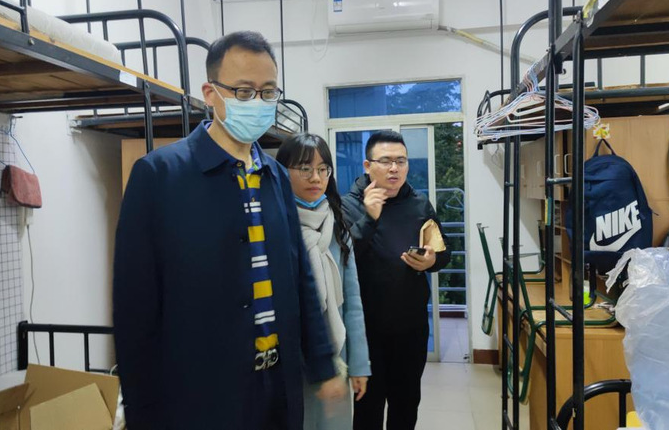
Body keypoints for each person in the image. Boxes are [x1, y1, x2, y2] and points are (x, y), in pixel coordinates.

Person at [113, 31, 343, 430]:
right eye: (243, 91)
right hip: (202, 395)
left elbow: (300, 278)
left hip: (277, 386)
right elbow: (135, 307)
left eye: (268, 92)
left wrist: (322, 362)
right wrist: (141, 410)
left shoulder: (275, 176)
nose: (258, 102)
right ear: (210, 94)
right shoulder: (159, 176)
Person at [341, 131, 451, 430]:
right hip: (367, 329)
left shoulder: (419, 204)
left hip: (411, 327)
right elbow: (343, 258)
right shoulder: (349, 205)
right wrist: (370, 217)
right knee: (368, 408)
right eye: (386, 161)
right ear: (367, 165)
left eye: (401, 161)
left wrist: (431, 261)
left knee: (406, 404)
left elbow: (444, 252)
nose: (394, 168)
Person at [276, 134, 372, 430]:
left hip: (334, 355)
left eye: (322, 169)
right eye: (305, 169)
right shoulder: (274, 225)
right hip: (289, 358)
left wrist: (359, 364)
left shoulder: (337, 225)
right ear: (282, 171)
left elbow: (352, 302)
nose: (316, 177)